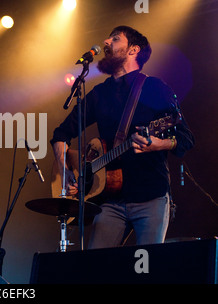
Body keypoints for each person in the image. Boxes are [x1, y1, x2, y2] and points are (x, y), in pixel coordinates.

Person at [50, 26, 194, 249]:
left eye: (115, 39)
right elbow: (61, 134)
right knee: (94, 271)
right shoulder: (99, 94)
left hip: (151, 198)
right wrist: (65, 170)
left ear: (133, 50)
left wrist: (159, 144)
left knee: (146, 271)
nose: (106, 41)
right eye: (108, 37)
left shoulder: (154, 87)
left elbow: (185, 138)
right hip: (109, 202)